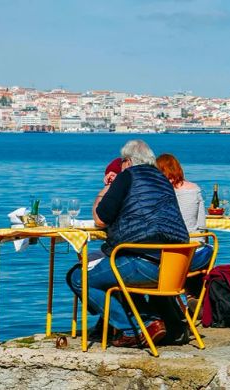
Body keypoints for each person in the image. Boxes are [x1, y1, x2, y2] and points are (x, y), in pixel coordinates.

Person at [66, 140, 189, 348]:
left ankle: (136, 328)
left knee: (79, 277)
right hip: (174, 265)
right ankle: (149, 321)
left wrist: (108, 188)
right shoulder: (163, 180)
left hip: (142, 263)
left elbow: (100, 219)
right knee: (115, 275)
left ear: (128, 161)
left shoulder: (127, 176)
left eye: (122, 162)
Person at [156, 153, 213, 275]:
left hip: (168, 255)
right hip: (194, 251)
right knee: (208, 248)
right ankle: (192, 293)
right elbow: (202, 225)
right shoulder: (194, 189)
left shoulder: (158, 193)